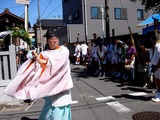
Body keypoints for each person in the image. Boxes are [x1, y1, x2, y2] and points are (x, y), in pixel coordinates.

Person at [4, 28, 73, 120]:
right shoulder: (45, 53)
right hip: (50, 86)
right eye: (51, 39)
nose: (54, 41)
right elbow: (34, 65)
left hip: (62, 85)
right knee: (50, 105)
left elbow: (59, 62)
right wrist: (34, 57)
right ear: (48, 41)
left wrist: (43, 61)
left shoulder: (64, 50)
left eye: (55, 39)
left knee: (61, 104)